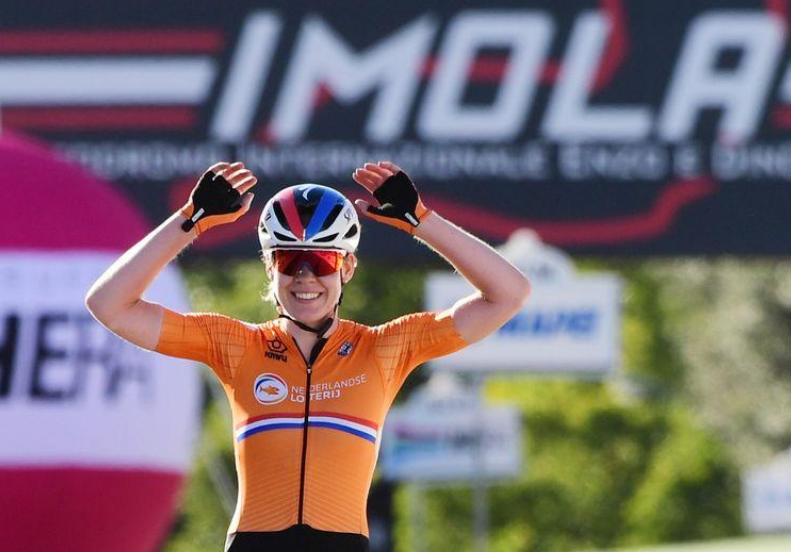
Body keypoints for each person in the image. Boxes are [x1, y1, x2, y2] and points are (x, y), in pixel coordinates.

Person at [85, 160, 531, 552]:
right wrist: (190, 220)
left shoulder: (384, 348)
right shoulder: (235, 345)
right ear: (269, 267)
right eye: (287, 261)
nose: (304, 277)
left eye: (321, 262)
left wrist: (421, 221)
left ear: (347, 268)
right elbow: (108, 304)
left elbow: (509, 293)